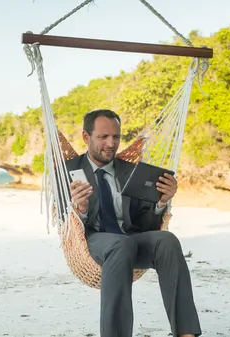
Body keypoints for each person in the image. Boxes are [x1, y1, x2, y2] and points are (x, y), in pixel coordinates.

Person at [66, 109, 202, 337]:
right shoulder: (68, 170)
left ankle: (185, 333)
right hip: (92, 240)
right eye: (103, 137)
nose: (111, 143)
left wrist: (162, 202)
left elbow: (144, 222)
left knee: (166, 240)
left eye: (116, 137)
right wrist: (80, 210)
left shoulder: (131, 171)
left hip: (129, 239)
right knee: (121, 245)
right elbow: (65, 221)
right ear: (85, 137)